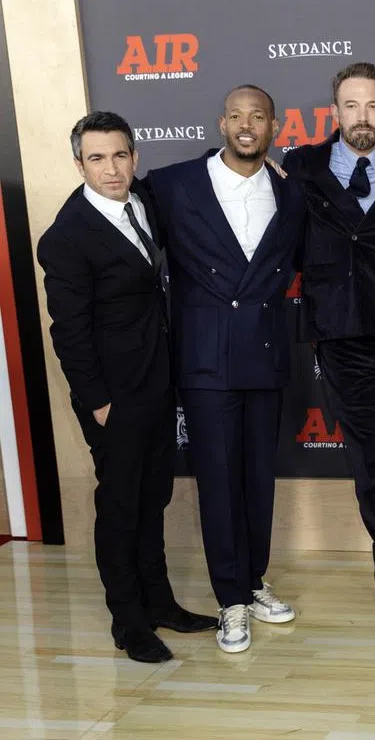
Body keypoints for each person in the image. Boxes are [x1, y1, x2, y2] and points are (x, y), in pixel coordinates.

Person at [38, 111, 215, 663]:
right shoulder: (66, 238)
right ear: (78, 164)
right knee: (121, 505)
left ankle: (160, 602)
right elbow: (67, 330)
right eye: (96, 158)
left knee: (154, 496)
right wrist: (98, 402)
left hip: (159, 380)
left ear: (135, 157)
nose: (111, 169)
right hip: (113, 396)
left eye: (120, 155)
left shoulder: (145, 199)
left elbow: (200, 178)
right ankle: (128, 623)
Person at [145, 85, 306, 653]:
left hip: (263, 353)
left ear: (274, 127)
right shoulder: (171, 184)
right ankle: (230, 601)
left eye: (257, 116)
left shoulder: (292, 193)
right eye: (236, 116)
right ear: (221, 124)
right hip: (205, 359)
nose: (246, 125)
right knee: (217, 480)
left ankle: (253, 580)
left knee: (257, 478)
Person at [283, 62, 375, 635]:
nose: (361, 117)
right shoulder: (302, 167)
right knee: (369, 459)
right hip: (340, 333)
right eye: (351, 106)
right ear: (335, 111)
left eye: (372, 106)